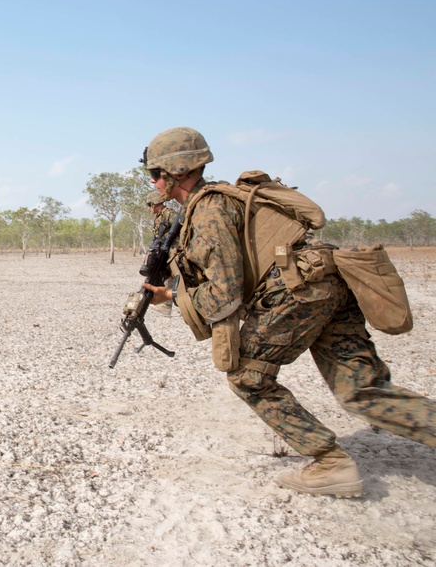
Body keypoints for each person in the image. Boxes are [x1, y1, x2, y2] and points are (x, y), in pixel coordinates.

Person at [141, 127, 436, 498]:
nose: (153, 182)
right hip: (325, 283)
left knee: (247, 377)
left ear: (177, 172)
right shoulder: (218, 201)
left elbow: (225, 296)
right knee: (363, 389)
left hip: (298, 293)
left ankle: (331, 464)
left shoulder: (209, 211)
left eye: (155, 173)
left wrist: (170, 296)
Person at [146, 190, 177, 316]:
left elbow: (181, 229)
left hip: (173, 250)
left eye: (149, 205)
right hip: (164, 251)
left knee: (172, 275)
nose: (148, 208)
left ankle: (168, 305)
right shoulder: (159, 217)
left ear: (154, 204)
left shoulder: (170, 214)